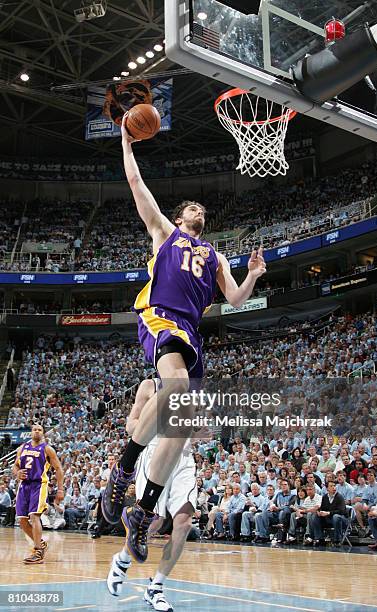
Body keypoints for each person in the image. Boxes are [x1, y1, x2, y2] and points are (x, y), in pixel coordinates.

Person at [102, 115, 266, 563]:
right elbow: (135, 183)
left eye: (202, 211)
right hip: (161, 317)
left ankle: (142, 509)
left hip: (191, 335)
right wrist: (126, 142)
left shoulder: (215, 254)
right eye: (192, 208)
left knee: (179, 425)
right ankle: (123, 467)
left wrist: (251, 275)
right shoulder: (165, 234)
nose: (199, 212)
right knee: (173, 389)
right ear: (179, 217)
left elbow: (233, 298)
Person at [107, 378, 197, 612]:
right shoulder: (150, 386)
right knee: (153, 521)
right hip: (156, 452)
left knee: (184, 523)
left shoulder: (194, 387)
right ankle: (123, 560)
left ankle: (156, 587)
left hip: (184, 456)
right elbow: (131, 426)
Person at [12, 423, 64, 564]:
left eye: (39, 430)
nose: (37, 431)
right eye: (34, 429)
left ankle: (37, 551)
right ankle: (40, 543)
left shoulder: (47, 449)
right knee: (22, 520)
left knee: (34, 516)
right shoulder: (22, 448)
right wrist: (17, 473)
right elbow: (15, 466)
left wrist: (60, 489)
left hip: (39, 485)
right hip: (24, 486)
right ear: (31, 432)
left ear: (43, 433)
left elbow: (58, 469)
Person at [308, 481, 348, 547]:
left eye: (334, 486)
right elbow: (322, 508)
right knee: (314, 516)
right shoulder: (325, 497)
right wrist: (319, 512)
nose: (334, 487)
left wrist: (328, 513)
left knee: (336, 517)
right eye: (331, 486)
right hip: (329, 519)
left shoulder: (339, 497)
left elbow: (342, 511)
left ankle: (337, 540)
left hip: (342, 519)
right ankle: (319, 539)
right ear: (327, 489)